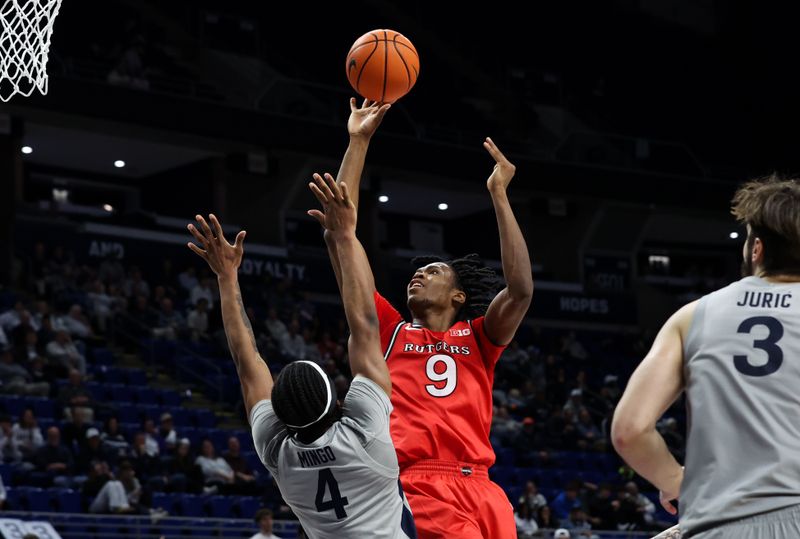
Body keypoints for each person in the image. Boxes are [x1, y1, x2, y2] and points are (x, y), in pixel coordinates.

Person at [325, 99, 533, 538]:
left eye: (433, 271)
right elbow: (340, 236)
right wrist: (358, 141)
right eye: (418, 271)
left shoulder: (480, 338)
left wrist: (499, 195)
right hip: (416, 483)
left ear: (458, 295)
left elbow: (520, 291)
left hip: (482, 487)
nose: (419, 273)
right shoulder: (388, 329)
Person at [187, 203, 415, 536]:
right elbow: (365, 323)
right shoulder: (364, 434)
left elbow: (247, 363)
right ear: (336, 401)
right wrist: (345, 236)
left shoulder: (278, 452)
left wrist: (226, 277)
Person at [612, 176, 800, 538]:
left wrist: (674, 480)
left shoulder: (693, 316)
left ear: (756, 249)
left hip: (720, 524)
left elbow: (629, 431)